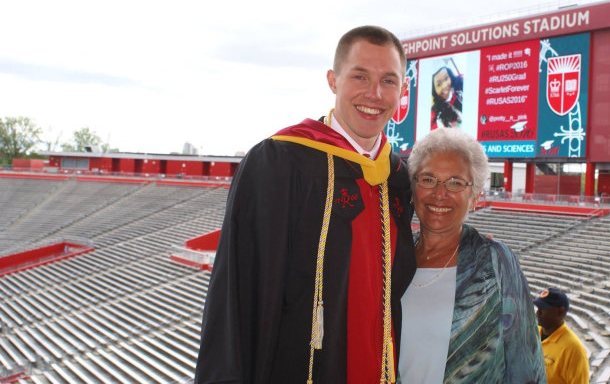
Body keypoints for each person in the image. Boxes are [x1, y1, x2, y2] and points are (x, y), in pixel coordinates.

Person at [195, 25, 416, 383]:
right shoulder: (280, 164)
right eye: (360, 76)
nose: (374, 93)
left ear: (403, 90)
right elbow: (235, 298)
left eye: (389, 81)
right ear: (333, 80)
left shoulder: (396, 177)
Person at [398, 128, 546, 383]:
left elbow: (526, 363)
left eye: (455, 182)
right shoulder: (391, 256)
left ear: (475, 196)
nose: (440, 193)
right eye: (428, 179)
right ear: (413, 189)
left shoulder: (496, 262)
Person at [533, 287, 589, 384]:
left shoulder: (573, 349)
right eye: (538, 308)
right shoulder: (531, 333)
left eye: (543, 308)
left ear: (560, 312)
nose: (538, 312)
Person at [430, 64, 463, 129]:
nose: (445, 85)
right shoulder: (434, 115)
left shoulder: (459, 92)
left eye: (446, 78)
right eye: (439, 84)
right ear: (434, 89)